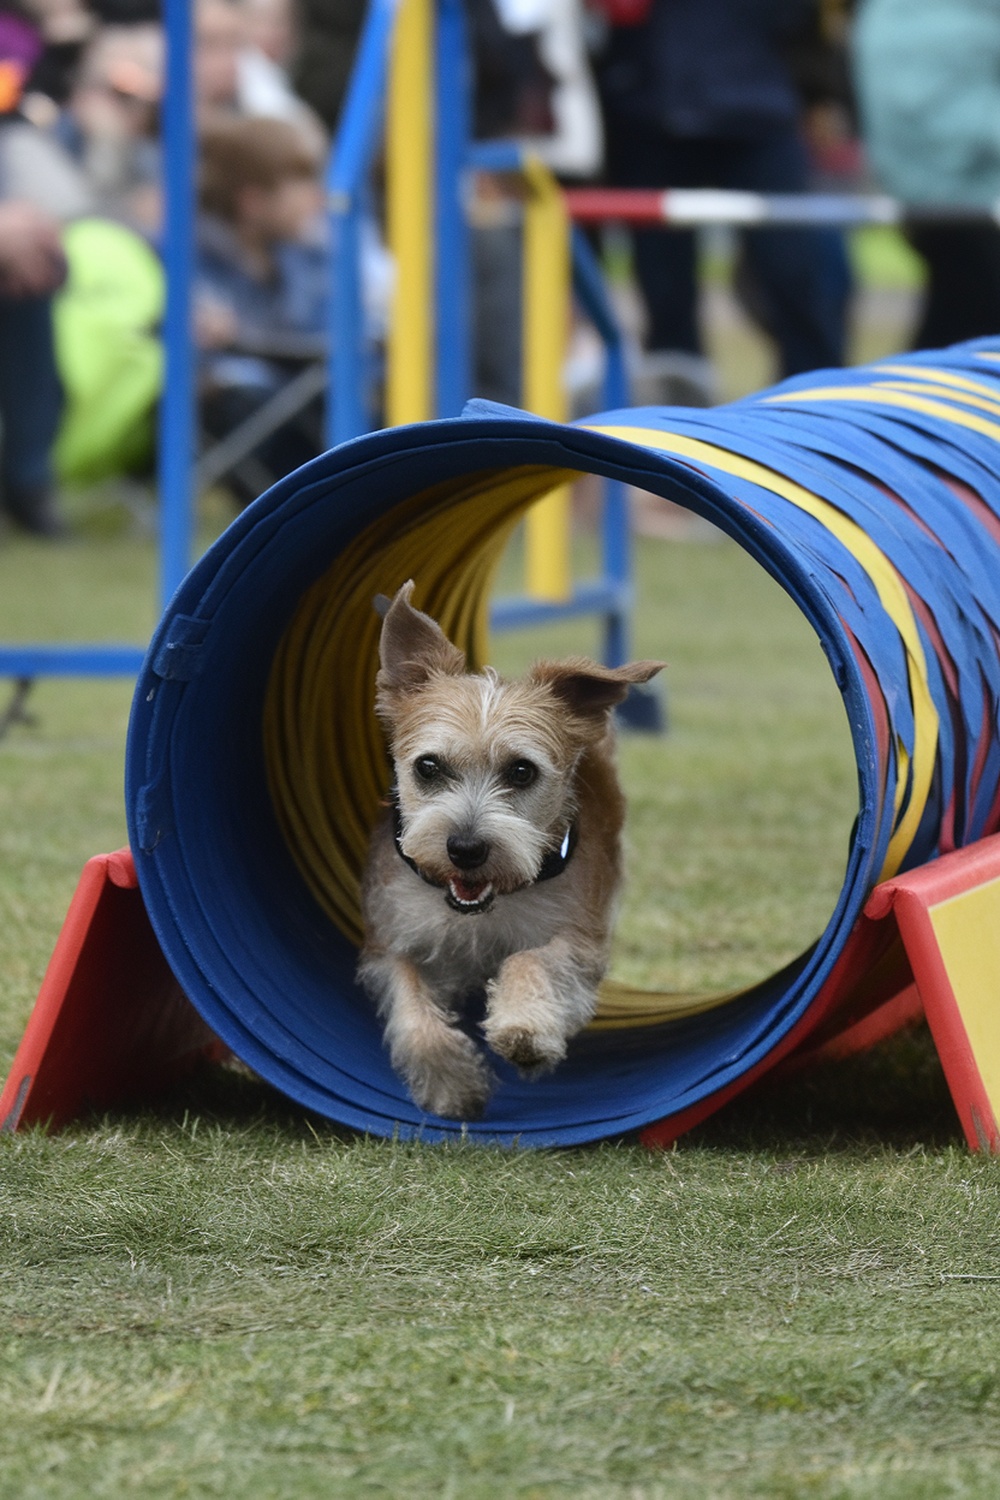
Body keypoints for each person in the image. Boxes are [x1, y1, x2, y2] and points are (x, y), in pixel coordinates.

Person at [596, 0, 852, 399]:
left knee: (798, 275)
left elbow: (804, 19)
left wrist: (819, 90)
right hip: (649, 109)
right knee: (666, 298)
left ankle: (816, 406)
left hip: (759, 108)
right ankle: (672, 429)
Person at [852, 0, 1000, 349]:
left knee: (956, 323)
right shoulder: (938, 24)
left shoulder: (885, 16)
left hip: (936, 192)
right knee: (965, 326)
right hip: (960, 197)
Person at [195, 113, 326, 504]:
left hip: (297, 390)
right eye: (302, 184)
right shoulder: (192, 259)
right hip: (232, 407)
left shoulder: (300, 260)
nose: (317, 197)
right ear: (252, 202)